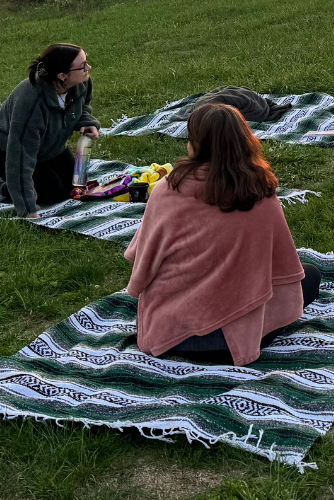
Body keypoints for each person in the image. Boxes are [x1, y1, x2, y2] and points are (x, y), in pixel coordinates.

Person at [125, 102, 320, 366]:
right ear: (244, 140)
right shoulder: (260, 192)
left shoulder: (167, 189)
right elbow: (282, 265)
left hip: (170, 334)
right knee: (310, 276)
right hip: (234, 342)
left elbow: (141, 256)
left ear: (196, 143)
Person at [0, 43, 100, 218]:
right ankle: (1, 187)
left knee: (75, 187)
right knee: (52, 194)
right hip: (4, 146)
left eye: (86, 60)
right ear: (63, 76)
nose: (89, 67)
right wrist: (27, 209)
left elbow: (82, 106)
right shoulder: (31, 102)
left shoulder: (81, 83)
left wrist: (86, 122)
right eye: (83, 65)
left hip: (48, 143)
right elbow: (19, 158)